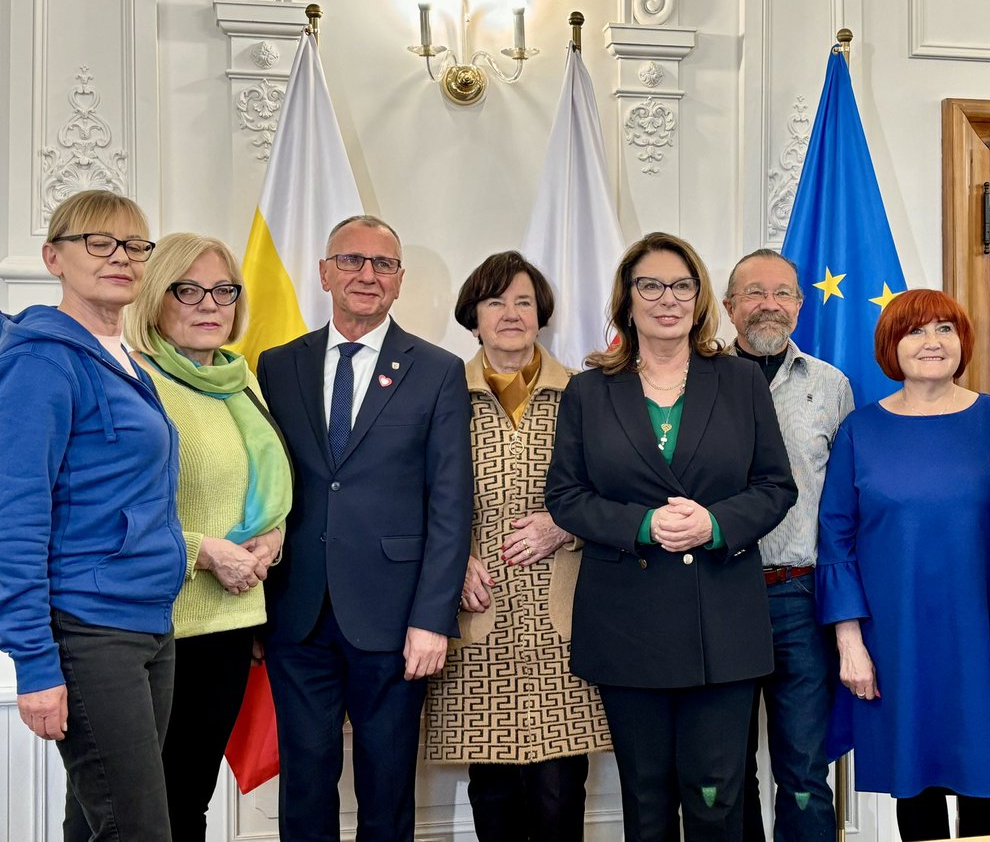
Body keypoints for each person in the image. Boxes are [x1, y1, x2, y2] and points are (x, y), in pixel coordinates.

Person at [545, 231, 798, 842]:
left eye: (681, 286)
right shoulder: (588, 390)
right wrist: (640, 524)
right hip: (627, 622)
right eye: (650, 286)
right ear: (627, 300)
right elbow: (566, 497)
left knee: (716, 796)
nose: (667, 298)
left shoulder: (739, 382)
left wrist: (714, 524)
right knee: (646, 798)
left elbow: (775, 486)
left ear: (700, 298)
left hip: (723, 621)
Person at [256, 215, 473, 841]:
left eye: (383, 264)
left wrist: (433, 618)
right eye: (351, 261)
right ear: (324, 273)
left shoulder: (436, 370)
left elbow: (450, 504)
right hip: (296, 613)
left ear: (400, 282)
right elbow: (269, 485)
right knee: (304, 783)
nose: (367, 275)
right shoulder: (277, 366)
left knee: (386, 789)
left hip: (395, 616)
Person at [818, 288, 990, 841]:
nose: (932, 342)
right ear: (890, 346)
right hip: (897, 641)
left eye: (945, 329)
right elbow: (835, 539)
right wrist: (850, 641)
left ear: (962, 343)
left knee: (986, 787)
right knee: (913, 787)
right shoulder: (860, 431)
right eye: (916, 330)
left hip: (989, 635)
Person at [0, 190, 186, 839]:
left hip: (149, 624)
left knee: (93, 821)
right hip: (88, 630)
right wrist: (35, 662)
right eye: (99, 243)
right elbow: (16, 516)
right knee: (137, 829)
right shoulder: (41, 361)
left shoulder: (124, 358)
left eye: (136, 245)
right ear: (54, 256)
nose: (121, 257)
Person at [424, 251, 611, 842]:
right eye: (495, 301)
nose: (511, 313)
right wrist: (450, 561)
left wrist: (565, 525)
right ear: (472, 317)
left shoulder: (587, 394)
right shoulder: (439, 392)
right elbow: (408, 493)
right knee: (495, 793)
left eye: (524, 301)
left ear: (542, 314)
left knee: (560, 794)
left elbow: (620, 490)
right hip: (478, 611)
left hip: (567, 615)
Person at [125, 232, 292, 841]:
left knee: (190, 797)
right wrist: (206, 551)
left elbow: (261, 488)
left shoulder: (239, 381)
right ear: (154, 297)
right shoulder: (138, 382)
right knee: (146, 808)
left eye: (223, 289)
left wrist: (271, 537)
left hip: (232, 620)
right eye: (188, 289)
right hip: (162, 623)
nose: (209, 303)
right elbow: (120, 508)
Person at [723, 249, 852, 842]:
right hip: (717, 594)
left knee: (804, 770)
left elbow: (849, 503)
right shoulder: (698, 383)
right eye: (753, 293)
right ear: (727, 307)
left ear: (800, 305)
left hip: (799, 597)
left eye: (782, 293)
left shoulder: (831, 387)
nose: (768, 305)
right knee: (723, 771)